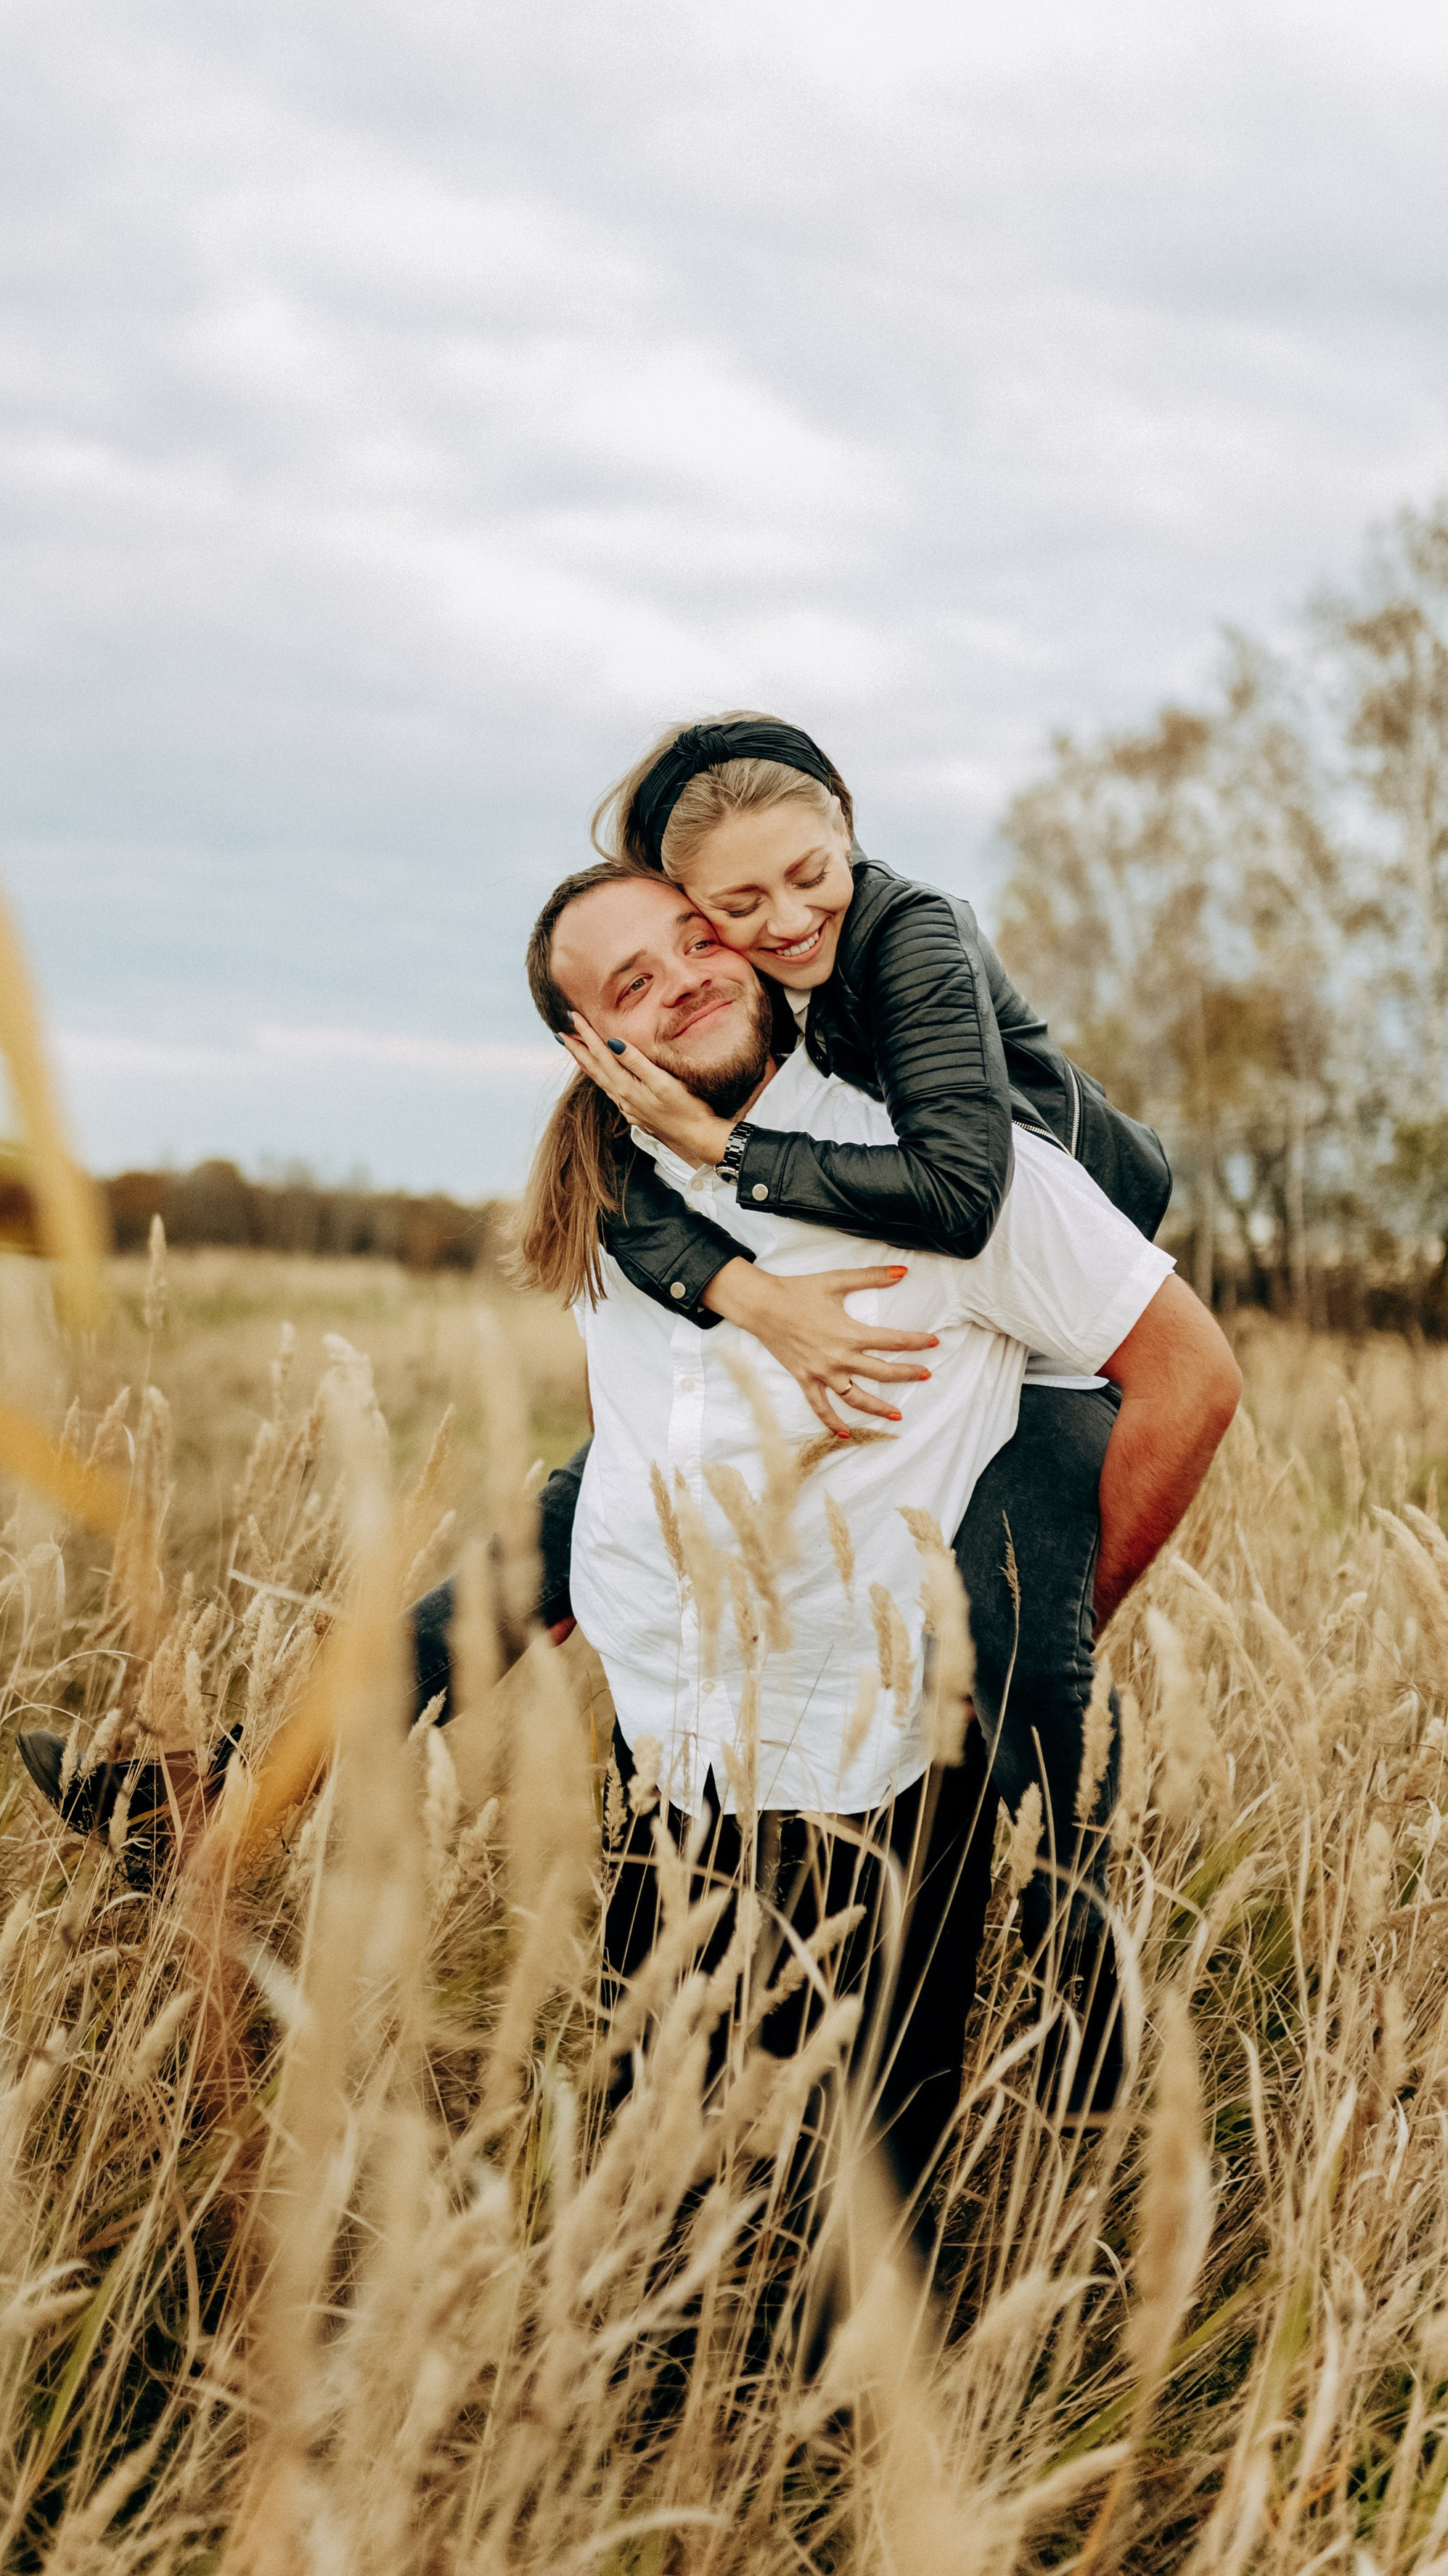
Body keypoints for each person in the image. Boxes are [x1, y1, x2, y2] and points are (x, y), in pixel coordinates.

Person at [430, 710, 1176, 2107]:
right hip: (691, 1752)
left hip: (1070, 1290)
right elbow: (637, 1227)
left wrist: (738, 1152)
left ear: (848, 823)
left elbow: (966, 1197)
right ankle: (225, 1786)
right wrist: (750, 1292)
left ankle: (1077, 1943)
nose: (777, 924)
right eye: (729, 910)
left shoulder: (904, 945)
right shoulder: (637, 1149)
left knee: (1021, 1632)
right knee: (566, 1522)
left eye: (802, 879)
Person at [527, 862, 1238, 2240]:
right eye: (632, 982)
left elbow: (1188, 1381)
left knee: (849, 2228)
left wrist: (1044, 1621)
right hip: (670, 1745)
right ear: (588, 1044)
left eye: (696, 939)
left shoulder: (940, 1167)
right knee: (646, 2173)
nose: (684, 979)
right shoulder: (606, 1193)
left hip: (878, 1765)